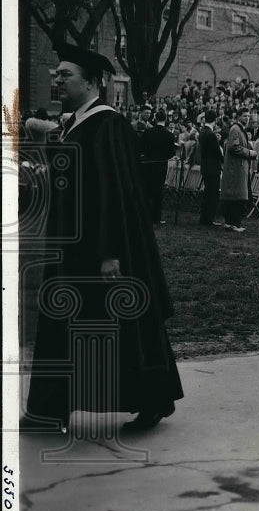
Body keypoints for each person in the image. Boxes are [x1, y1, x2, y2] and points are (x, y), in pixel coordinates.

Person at [24, 44, 183, 433]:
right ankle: (50, 411)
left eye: (66, 75)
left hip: (103, 247)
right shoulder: (78, 123)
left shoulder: (108, 125)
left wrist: (110, 253)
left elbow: (114, 193)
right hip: (72, 246)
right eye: (56, 74)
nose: (57, 80)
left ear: (93, 82)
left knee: (120, 324)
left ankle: (153, 400)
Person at [138, 109, 177, 224]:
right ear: (165, 120)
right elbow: (171, 153)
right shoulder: (169, 135)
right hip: (161, 165)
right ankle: (156, 217)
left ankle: (144, 215)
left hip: (148, 164)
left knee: (147, 190)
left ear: (155, 119)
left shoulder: (148, 132)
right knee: (158, 191)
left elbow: (142, 147)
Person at [220, 110, 253, 232]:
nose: (248, 118)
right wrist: (249, 153)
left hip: (237, 168)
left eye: (249, 116)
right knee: (237, 198)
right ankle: (234, 224)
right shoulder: (236, 129)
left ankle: (230, 223)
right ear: (239, 116)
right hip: (236, 169)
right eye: (245, 115)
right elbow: (234, 147)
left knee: (234, 196)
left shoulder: (239, 129)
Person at [195, 110, 224, 226]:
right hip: (212, 167)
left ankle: (205, 218)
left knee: (208, 193)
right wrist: (223, 159)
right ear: (215, 120)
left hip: (206, 166)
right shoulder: (210, 134)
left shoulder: (202, 132)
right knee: (212, 194)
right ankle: (208, 219)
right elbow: (217, 152)